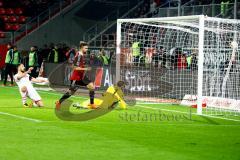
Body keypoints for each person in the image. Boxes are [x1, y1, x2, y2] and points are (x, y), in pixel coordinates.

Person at [56, 41, 97, 109]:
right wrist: (86, 69)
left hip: (82, 76)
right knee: (71, 92)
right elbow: (75, 67)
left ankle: (91, 104)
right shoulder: (79, 55)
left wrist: (84, 67)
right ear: (81, 48)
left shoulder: (81, 54)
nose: (87, 49)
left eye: (87, 48)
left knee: (92, 86)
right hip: (76, 77)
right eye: (85, 48)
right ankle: (59, 102)